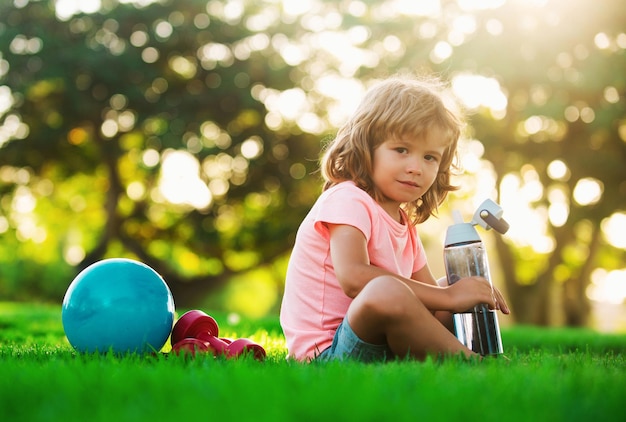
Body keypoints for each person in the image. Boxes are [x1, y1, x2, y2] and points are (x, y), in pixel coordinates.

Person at [279, 73, 510, 363]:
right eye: (401, 150)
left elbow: (433, 302)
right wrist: (451, 297)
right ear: (366, 146)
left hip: (377, 344)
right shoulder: (347, 199)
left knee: (444, 286)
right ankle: (475, 366)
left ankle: (481, 350)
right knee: (390, 291)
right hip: (327, 354)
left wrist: (461, 292)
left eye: (430, 157)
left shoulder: (404, 223)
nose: (416, 167)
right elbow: (353, 277)